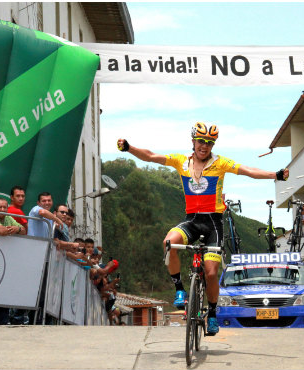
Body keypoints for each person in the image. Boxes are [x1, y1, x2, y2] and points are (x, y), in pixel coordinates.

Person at [117, 121, 289, 335]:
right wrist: (129, 148)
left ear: (212, 145)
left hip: (213, 224)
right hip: (192, 220)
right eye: (201, 141)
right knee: (168, 243)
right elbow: (151, 156)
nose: (204, 146)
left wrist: (275, 174)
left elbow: (248, 170)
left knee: (210, 273)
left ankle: (213, 314)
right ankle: (179, 289)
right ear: (193, 142)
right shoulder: (181, 161)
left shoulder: (220, 163)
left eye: (209, 143)